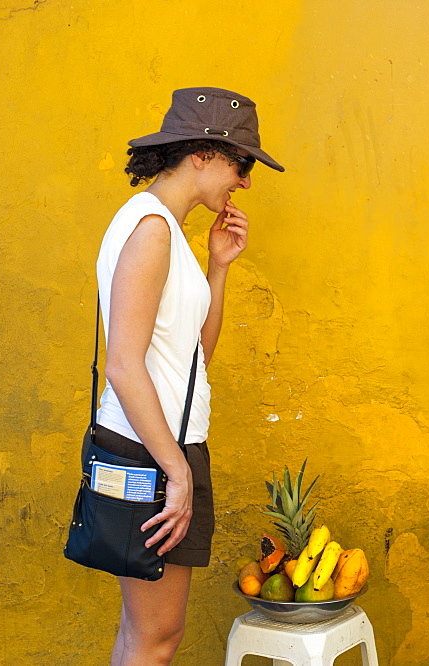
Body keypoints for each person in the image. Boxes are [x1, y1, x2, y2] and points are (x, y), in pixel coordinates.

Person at [88, 87, 283, 664]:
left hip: (163, 444)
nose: (245, 181)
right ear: (201, 153)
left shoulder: (164, 229)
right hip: (152, 449)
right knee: (158, 636)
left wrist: (217, 269)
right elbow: (123, 362)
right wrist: (176, 471)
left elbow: (195, 358)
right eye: (240, 163)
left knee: (142, 631)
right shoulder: (150, 230)